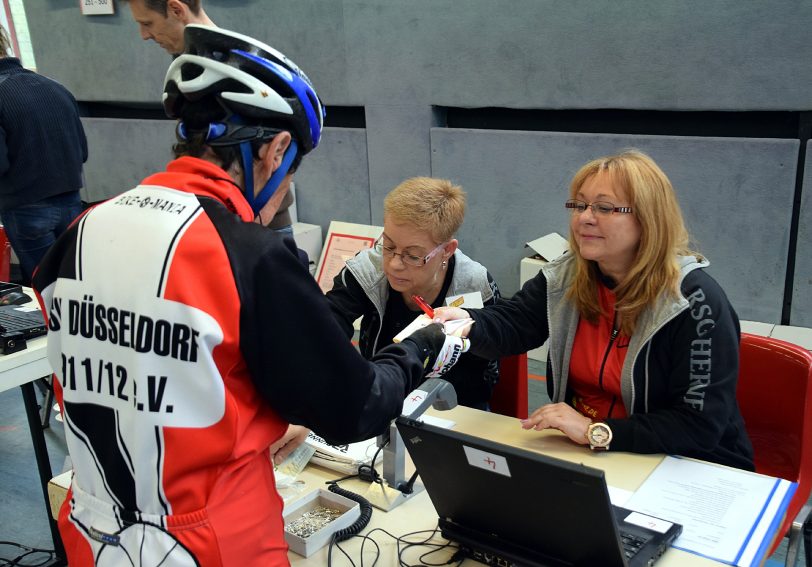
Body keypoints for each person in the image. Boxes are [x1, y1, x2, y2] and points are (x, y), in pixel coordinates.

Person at [32, 25, 464, 566]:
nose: (281, 193)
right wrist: (423, 345)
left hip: (94, 529)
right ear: (276, 149)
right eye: (289, 174)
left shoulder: (81, 229)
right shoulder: (246, 253)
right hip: (211, 539)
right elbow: (357, 409)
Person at [434, 149, 754, 471]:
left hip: (684, 464)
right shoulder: (568, 276)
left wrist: (595, 432)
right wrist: (470, 322)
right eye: (579, 205)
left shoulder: (694, 302)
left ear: (648, 218)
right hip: (593, 454)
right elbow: (515, 322)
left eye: (604, 207)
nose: (584, 217)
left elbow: (699, 426)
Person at [122, 0, 297, 235]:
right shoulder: (186, 68)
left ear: (176, 9)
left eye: (147, 23)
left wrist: (260, 219)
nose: (144, 35)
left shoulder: (244, 64)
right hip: (212, 214)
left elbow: (287, 144)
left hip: (260, 219)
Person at [327, 177, 501, 409]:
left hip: (455, 405)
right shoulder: (365, 270)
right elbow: (325, 331)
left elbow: (483, 377)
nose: (394, 264)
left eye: (413, 255)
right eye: (388, 246)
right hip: (381, 395)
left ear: (447, 251)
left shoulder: (475, 285)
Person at [0, 24, 87, 286]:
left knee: (47, 290)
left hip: (25, 210)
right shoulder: (55, 87)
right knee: (75, 286)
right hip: (73, 203)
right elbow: (81, 151)